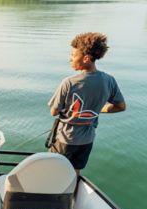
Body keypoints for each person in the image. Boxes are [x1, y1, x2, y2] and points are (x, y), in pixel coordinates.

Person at [48, 32, 126, 176]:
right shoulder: (109, 80)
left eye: (73, 55)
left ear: (86, 58)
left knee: (54, 171)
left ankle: (51, 197)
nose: (70, 59)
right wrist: (97, 110)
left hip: (65, 139)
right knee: (75, 173)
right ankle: (71, 197)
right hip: (87, 140)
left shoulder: (69, 83)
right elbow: (121, 106)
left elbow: (53, 112)